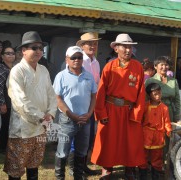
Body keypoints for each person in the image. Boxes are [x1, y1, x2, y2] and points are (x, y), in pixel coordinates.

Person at [91, 33, 146, 179]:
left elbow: (141, 93)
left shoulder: (138, 67)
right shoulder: (109, 67)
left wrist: (137, 113)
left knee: (131, 141)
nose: (128, 50)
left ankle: (130, 168)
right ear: (116, 49)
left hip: (129, 110)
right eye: (124, 47)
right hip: (110, 108)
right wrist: (101, 113)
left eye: (130, 47)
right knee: (109, 140)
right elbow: (101, 92)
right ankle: (107, 167)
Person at [3, 31, 57, 179]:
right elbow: (20, 101)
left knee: (34, 165)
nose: (39, 51)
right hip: (22, 129)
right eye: (34, 48)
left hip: (41, 127)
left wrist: (50, 114)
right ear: (23, 51)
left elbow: (52, 95)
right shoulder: (17, 71)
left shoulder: (44, 70)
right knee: (16, 169)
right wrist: (41, 117)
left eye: (41, 48)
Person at [53, 46, 97, 179]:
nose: (77, 60)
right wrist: (72, 115)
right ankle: (60, 177)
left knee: (81, 152)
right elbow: (58, 99)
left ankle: (78, 176)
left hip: (85, 120)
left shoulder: (88, 76)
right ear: (67, 59)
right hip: (67, 120)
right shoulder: (61, 76)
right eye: (73, 57)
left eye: (79, 57)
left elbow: (94, 95)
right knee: (62, 153)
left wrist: (89, 114)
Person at [66, 32, 100, 176]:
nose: (92, 46)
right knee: (76, 139)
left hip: (90, 106)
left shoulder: (96, 62)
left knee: (88, 137)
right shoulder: (78, 60)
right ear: (82, 45)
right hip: (78, 105)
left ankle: (83, 166)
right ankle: (74, 168)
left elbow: (96, 86)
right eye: (89, 43)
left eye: (94, 43)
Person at [138, 83, 172, 180]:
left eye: (159, 93)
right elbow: (140, 120)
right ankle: (142, 175)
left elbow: (167, 122)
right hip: (146, 134)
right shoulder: (145, 106)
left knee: (157, 157)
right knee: (143, 155)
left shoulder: (164, 108)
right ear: (149, 95)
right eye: (155, 94)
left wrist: (169, 131)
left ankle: (156, 176)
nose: (158, 96)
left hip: (158, 136)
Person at [145, 56, 180, 123]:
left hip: (169, 112)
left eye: (166, 65)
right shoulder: (150, 81)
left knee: (168, 132)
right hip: (154, 112)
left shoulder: (173, 81)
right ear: (155, 66)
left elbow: (177, 101)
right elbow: (145, 99)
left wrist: (177, 117)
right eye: (162, 65)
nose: (164, 67)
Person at [0, 46, 15, 153]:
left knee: (12, 125)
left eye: (12, 53)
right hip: (5, 102)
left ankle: (10, 147)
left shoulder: (15, 67)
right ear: (2, 56)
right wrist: (2, 104)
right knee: (6, 125)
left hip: (14, 103)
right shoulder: (0, 68)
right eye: (8, 53)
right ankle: (2, 148)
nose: (11, 55)